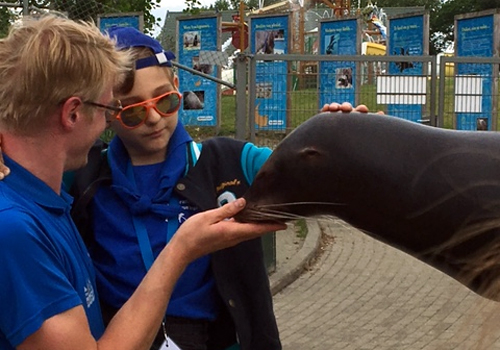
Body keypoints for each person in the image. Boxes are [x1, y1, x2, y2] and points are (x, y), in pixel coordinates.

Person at [0, 14, 286, 350]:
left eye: (165, 101)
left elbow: (307, 172)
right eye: (118, 109)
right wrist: (180, 250)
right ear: (73, 114)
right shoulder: (24, 221)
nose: (150, 118)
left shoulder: (51, 198)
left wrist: (337, 136)